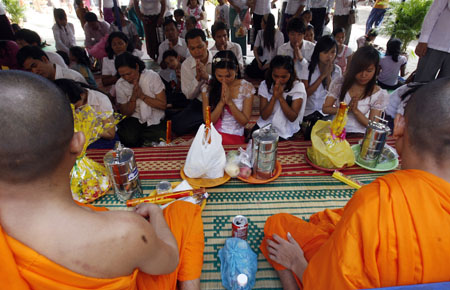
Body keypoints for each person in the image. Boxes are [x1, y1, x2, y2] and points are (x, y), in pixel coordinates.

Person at [0, 70, 204, 289]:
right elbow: (169, 261)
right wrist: (155, 212)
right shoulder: (127, 232)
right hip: (129, 252)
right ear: (78, 142)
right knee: (182, 212)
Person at [260, 76, 450, 289]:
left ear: (398, 126)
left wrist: (297, 262)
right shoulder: (385, 204)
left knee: (278, 225)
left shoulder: (377, 203)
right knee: (337, 218)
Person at [322, 46, 389, 135]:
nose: (363, 75)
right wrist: (346, 109)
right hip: (336, 132)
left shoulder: (378, 94)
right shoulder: (340, 83)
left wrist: (356, 111)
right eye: (359, 70)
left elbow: (373, 126)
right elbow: (325, 109)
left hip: (358, 135)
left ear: (376, 70)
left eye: (369, 71)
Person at [201, 50, 254, 145]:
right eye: (219, 76)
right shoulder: (208, 88)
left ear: (236, 69)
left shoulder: (246, 88)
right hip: (214, 135)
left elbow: (244, 122)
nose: (224, 80)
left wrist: (230, 103)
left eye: (228, 76)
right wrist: (221, 103)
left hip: (235, 136)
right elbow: (208, 122)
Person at [115, 52, 167, 147]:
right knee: (127, 138)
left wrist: (142, 96)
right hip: (135, 117)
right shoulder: (120, 84)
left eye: (129, 73)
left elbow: (162, 105)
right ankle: (144, 138)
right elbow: (125, 113)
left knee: (162, 137)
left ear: (136, 67)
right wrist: (133, 98)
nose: (127, 78)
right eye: (122, 75)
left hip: (154, 115)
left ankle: (142, 138)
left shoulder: (152, 77)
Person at [54, 78, 117, 149]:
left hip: (100, 138)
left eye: (77, 106)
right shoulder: (58, 103)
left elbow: (110, 134)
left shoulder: (100, 100)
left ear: (82, 95)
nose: (75, 110)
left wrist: (89, 127)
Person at [255, 55, 307, 140]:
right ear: (271, 72)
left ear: (291, 74)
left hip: (286, 127)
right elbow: (264, 116)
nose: (278, 80)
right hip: (266, 125)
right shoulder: (265, 85)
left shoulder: (297, 87)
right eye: (275, 76)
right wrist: (274, 97)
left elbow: (292, 118)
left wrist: (280, 97)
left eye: (283, 77)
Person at [172, 29, 212, 136]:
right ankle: (208, 121)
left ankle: (208, 122)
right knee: (177, 126)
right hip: (199, 103)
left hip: (218, 101)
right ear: (188, 49)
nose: (197, 52)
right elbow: (189, 95)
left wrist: (207, 77)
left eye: (200, 47)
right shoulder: (186, 65)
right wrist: (198, 79)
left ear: (207, 44)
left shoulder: (218, 58)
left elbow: (227, 82)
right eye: (192, 48)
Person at [300, 35, 341, 117]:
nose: (329, 56)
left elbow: (334, 96)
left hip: (325, 114)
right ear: (318, 52)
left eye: (333, 52)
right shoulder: (308, 67)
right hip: (307, 112)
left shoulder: (337, 70)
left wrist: (328, 75)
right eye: (325, 52)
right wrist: (322, 76)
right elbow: (305, 94)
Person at [414, 0, 450, 82]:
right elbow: (434, 12)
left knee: (444, 89)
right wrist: (423, 40)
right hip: (435, 44)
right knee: (420, 84)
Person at [17, 45, 88, 84]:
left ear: (44, 59)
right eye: (29, 70)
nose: (34, 72)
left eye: (34, 66)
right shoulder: (38, 84)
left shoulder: (73, 78)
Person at [246, 13, 284, 79]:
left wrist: (268, 65)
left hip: (272, 63)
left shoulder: (279, 35)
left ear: (266, 24)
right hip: (261, 61)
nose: (261, 23)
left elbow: (279, 55)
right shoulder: (260, 33)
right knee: (249, 70)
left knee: (270, 74)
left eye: (262, 21)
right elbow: (255, 49)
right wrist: (258, 62)